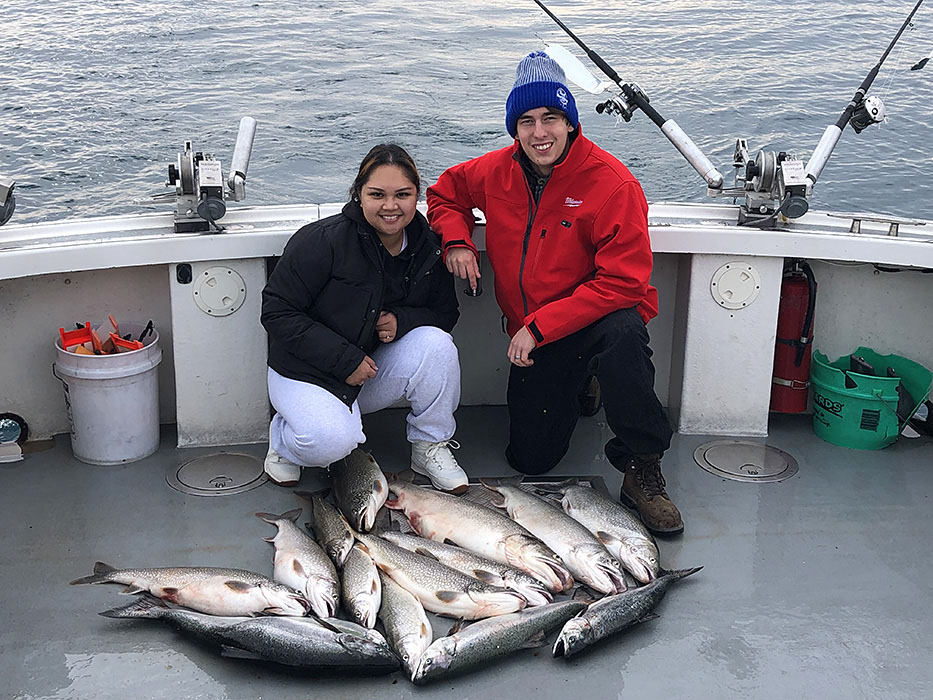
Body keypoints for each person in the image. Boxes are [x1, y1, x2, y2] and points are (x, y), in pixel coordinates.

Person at [425, 51, 683, 534]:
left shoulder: (613, 183)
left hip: (589, 322)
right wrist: (457, 239)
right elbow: (443, 194)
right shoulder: (493, 170)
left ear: (570, 122)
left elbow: (625, 281)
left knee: (625, 332)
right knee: (532, 460)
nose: (538, 132)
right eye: (526, 121)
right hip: (533, 336)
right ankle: (583, 382)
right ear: (513, 128)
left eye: (550, 118)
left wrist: (539, 327)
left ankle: (642, 466)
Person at [261, 143, 468, 493]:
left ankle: (429, 445)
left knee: (437, 344)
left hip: (369, 369)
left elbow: (445, 314)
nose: (391, 206)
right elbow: (277, 312)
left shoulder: (427, 247)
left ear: (417, 195)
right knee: (332, 445)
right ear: (358, 194)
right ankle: (284, 439)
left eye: (403, 194)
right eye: (377, 194)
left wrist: (402, 321)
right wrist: (345, 361)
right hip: (304, 371)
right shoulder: (321, 241)